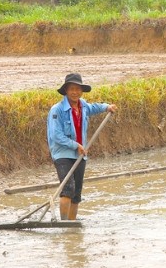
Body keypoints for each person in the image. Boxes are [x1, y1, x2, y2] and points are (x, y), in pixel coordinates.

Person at [47, 73, 117, 220]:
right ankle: (64, 223)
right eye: (72, 89)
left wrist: (107, 107)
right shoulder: (57, 110)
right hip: (63, 155)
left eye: (78, 89)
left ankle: (72, 226)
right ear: (66, 90)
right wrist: (75, 145)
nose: (75, 92)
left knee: (76, 193)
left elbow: (94, 107)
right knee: (67, 189)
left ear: (81, 91)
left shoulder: (83, 106)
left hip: (80, 155)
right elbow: (56, 135)